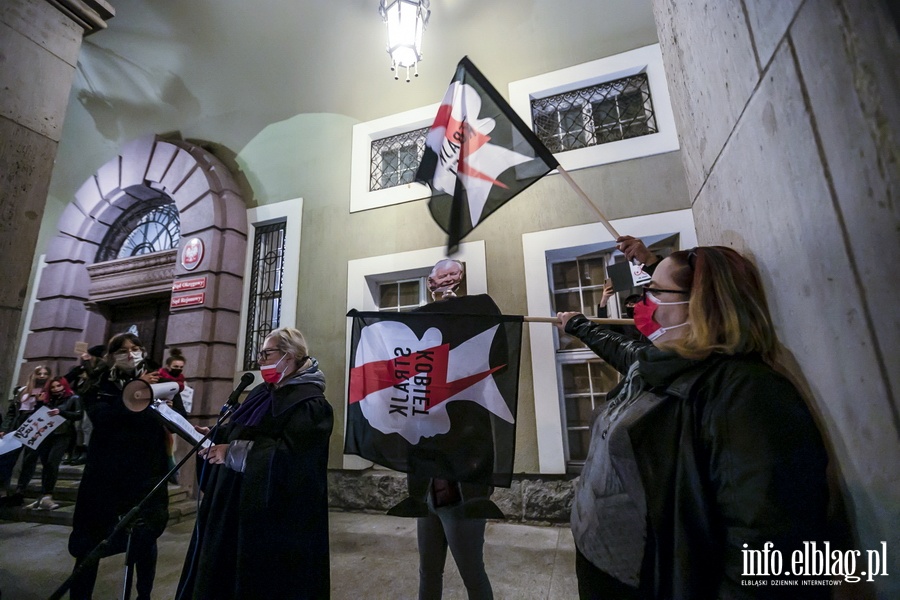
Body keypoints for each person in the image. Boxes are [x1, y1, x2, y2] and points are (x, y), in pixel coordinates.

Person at [556, 244, 828, 599]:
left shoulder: (748, 395)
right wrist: (579, 326)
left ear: (702, 301)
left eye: (654, 292)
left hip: (654, 584)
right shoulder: (655, 362)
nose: (642, 302)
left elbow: (771, 549)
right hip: (604, 569)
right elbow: (621, 350)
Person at [177, 327, 333, 600]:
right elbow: (242, 429)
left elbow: (293, 461)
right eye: (260, 353)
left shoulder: (311, 404)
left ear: (290, 355)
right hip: (232, 505)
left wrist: (231, 453)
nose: (260, 360)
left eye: (266, 353)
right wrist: (214, 435)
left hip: (271, 520)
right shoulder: (262, 391)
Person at [410, 259, 496, 600]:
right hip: (427, 481)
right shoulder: (421, 331)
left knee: (472, 572)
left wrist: (457, 304)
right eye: (441, 275)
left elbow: (492, 339)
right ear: (429, 282)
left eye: (455, 275)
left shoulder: (475, 324)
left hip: (463, 482)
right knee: (428, 571)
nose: (448, 279)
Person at [68, 333, 169, 600]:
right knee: (89, 546)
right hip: (105, 479)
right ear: (111, 355)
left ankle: (143, 595)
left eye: (135, 348)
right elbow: (103, 418)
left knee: (144, 542)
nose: (130, 354)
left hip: (145, 477)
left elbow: (170, 418)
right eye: (122, 350)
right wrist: (137, 388)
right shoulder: (98, 384)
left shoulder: (158, 381)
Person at [17, 376, 82, 510]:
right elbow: (39, 415)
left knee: (53, 462)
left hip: (63, 435)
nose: (56, 389)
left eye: (58, 386)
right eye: (53, 387)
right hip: (46, 435)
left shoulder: (73, 398)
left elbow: (78, 415)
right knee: (46, 464)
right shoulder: (49, 400)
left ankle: (48, 495)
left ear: (64, 385)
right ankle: (43, 495)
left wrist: (61, 412)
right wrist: (40, 403)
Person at [0, 366, 51, 506]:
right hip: (18, 424)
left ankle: (20, 491)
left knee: (29, 460)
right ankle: (3, 491)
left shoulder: (49, 392)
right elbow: (12, 412)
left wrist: (41, 401)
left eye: (45, 374)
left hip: (35, 425)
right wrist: (4, 428)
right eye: (39, 373)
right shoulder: (22, 390)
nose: (42, 376)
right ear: (33, 375)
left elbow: (48, 412)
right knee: (8, 458)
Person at [64, 344, 105, 465]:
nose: (88, 357)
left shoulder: (101, 365)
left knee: (87, 426)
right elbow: (67, 379)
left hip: (93, 400)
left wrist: (87, 362)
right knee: (79, 426)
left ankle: (86, 451)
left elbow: (93, 375)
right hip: (82, 399)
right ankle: (78, 450)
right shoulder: (84, 368)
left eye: (91, 356)